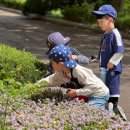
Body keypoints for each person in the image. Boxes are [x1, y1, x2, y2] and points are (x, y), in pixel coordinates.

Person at [38, 45, 109, 109]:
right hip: (86, 93)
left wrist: (76, 92)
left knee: (90, 111)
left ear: (60, 64)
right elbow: (51, 80)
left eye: (52, 63)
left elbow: (94, 86)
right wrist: (35, 85)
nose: (51, 65)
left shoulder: (78, 71)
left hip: (99, 93)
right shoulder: (62, 72)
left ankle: (109, 112)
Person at [93, 5, 127, 120]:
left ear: (110, 20)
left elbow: (120, 50)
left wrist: (112, 62)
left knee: (112, 89)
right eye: (98, 21)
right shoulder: (105, 35)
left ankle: (116, 111)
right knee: (104, 89)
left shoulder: (115, 34)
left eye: (101, 21)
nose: (99, 23)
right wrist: (98, 58)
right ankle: (107, 112)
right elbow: (103, 50)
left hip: (112, 69)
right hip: (104, 68)